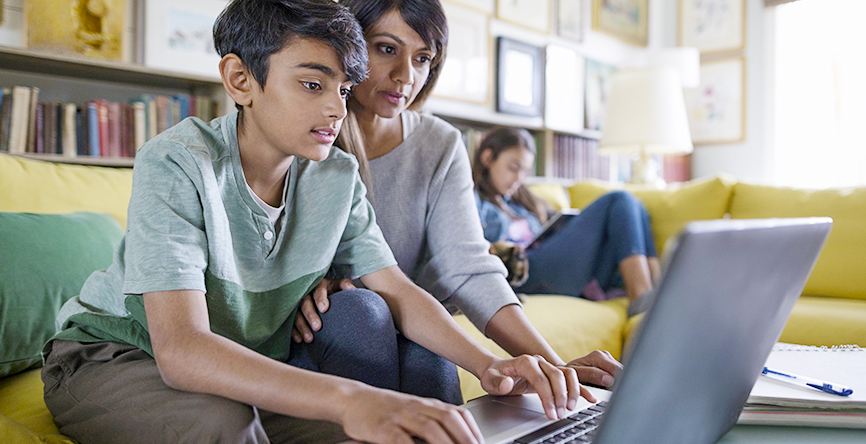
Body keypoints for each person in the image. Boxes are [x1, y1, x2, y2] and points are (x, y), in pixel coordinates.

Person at [40, 2, 589, 444]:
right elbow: (182, 350)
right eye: (312, 85)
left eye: (343, 90)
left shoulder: (336, 175)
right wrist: (350, 398)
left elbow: (395, 287)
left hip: (238, 366)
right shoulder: (180, 161)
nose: (335, 108)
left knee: (403, 426)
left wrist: (491, 365)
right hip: (117, 356)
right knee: (224, 426)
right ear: (239, 79)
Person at [292, 0, 623, 392]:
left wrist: (554, 370)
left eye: (423, 58)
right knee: (361, 312)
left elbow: (467, 265)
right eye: (387, 49)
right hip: (335, 326)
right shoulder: (302, 131)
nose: (405, 76)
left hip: (412, 322)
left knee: (428, 356)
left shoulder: (440, 143)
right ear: (350, 43)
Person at [472, 127, 661, 315]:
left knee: (636, 207)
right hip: (524, 274)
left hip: (556, 267)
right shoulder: (473, 201)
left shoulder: (522, 202)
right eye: (513, 168)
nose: (519, 178)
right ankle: (641, 299)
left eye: (525, 171)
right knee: (620, 199)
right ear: (488, 158)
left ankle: (659, 293)